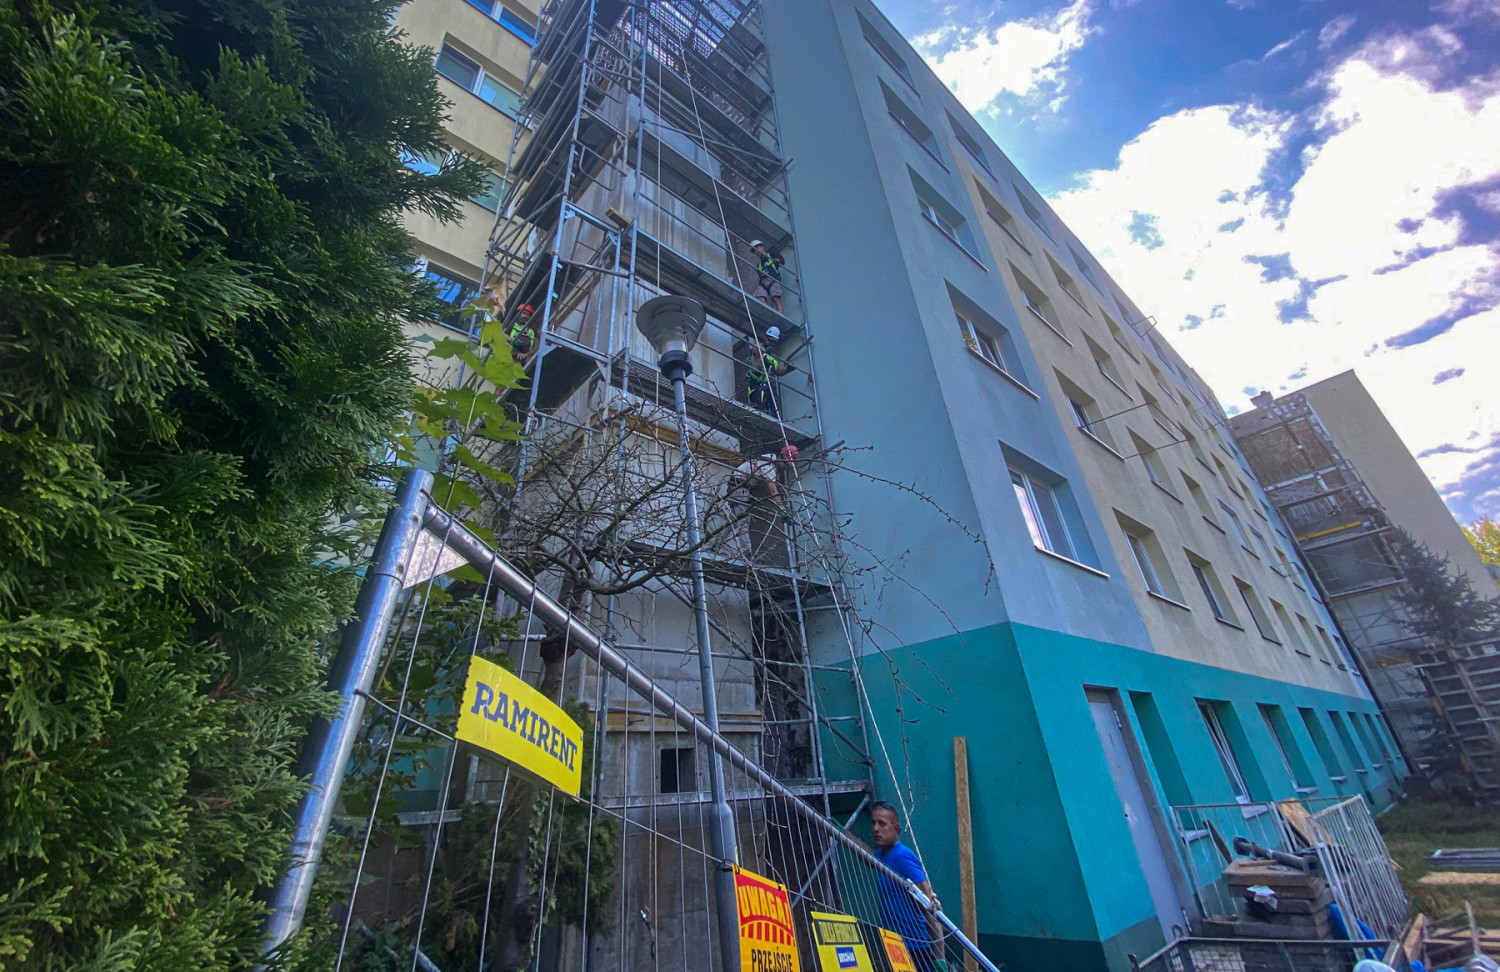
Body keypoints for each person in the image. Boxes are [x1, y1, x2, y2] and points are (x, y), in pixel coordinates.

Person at [870, 801, 947, 972]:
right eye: (873, 823)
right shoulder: (883, 856)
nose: (875, 829)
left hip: (917, 947)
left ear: (896, 828)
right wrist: (842, 833)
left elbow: (930, 907)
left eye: (882, 824)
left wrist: (940, 958)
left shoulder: (902, 857)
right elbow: (866, 855)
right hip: (897, 945)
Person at [745, 327, 791, 416]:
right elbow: (756, 353)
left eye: (773, 342)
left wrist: (788, 370)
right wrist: (765, 352)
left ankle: (774, 416)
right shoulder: (758, 347)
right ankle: (759, 415)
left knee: (773, 402)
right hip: (755, 381)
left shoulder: (772, 358)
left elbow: (778, 372)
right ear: (765, 337)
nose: (771, 343)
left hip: (766, 383)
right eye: (769, 340)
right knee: (758, 402)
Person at [749, 239, 784, 313]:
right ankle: (767, 313)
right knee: (760, 297)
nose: (756, 251)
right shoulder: (759, 266)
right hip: (764, 283)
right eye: (754, 250)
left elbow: (781, 261)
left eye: (757, 248)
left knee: (775, 298)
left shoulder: (771, 254)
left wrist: (777, 261)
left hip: (773, 279)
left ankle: (781, 314)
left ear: (762, 247)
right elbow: (760, 277)